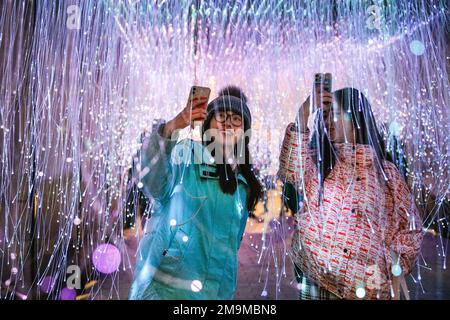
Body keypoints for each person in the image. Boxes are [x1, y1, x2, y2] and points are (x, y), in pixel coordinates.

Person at [278, 87, 423, 299]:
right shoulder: (320, 164)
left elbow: (411, 228)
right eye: (325, 115)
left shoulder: (386, 174)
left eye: (335, 114)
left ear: (356, 118)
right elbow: (290, 170)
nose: (328, 121)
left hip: (368, 288)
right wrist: (303, 113)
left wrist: (388, 264)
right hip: (318, 283)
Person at [129, 86, 262, 299]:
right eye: (221, 115)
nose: (228, 122)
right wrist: (172, 127)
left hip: (216, 291)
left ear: (244, 132)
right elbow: (153, 181)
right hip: (167, 288)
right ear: (207, 125)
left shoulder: (243, 184)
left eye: (236, 119)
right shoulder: (186, 156)